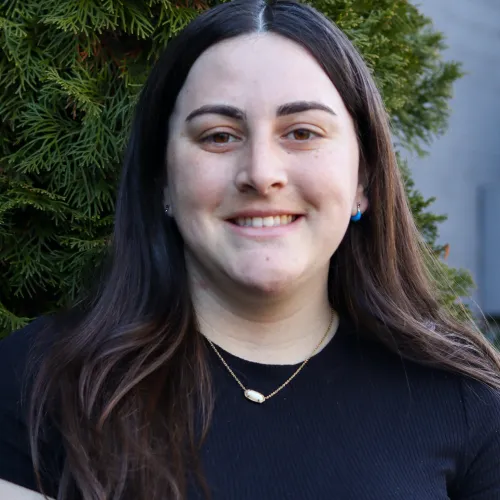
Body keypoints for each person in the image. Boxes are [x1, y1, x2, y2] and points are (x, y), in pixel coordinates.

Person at [1, 0, 500, 498]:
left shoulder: (468, 402)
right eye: (219, 136)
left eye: (302, 133)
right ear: (163, 182)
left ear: (362, 179)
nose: (261, 173)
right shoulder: (37, 383)